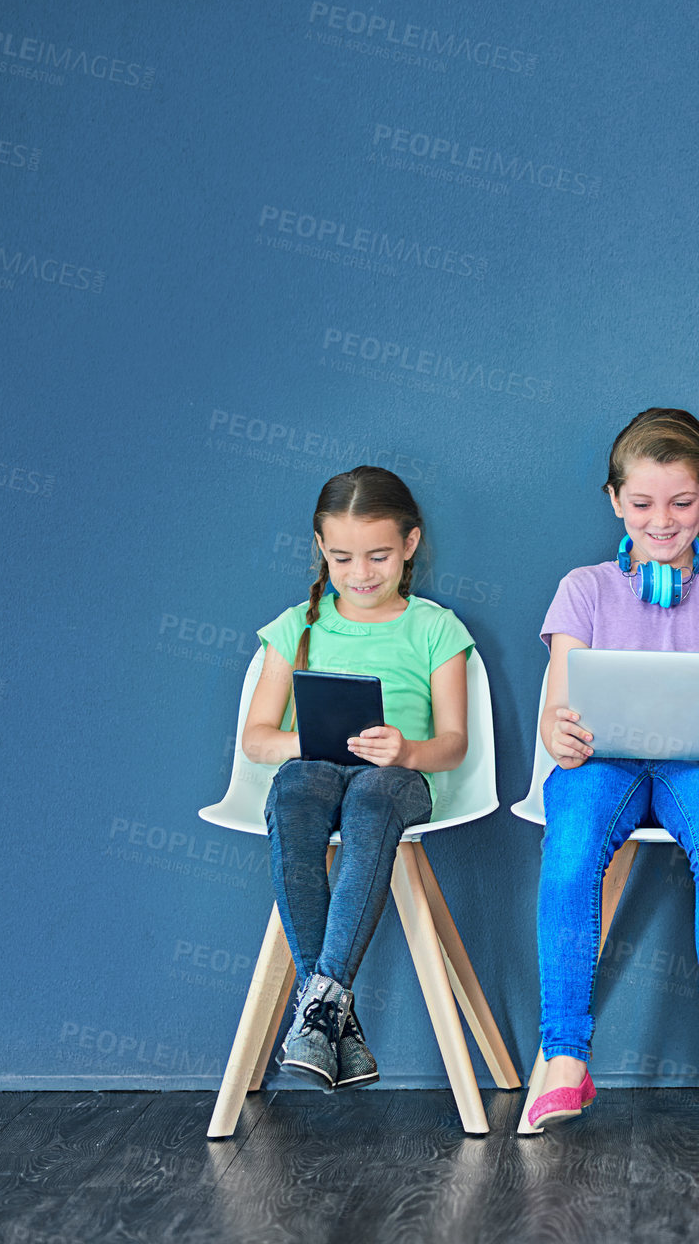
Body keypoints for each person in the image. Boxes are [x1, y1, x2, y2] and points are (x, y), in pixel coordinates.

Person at [526, 408, 699, 1128]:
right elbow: (556, 707)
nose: (660, 521)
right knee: (570, 853)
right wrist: (561, 734)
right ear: (615, 502)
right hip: (602, 763)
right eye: (641, 504)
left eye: (679, 503)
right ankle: (566, 1057)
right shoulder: (583, 588)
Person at [243, 466, 473, 1090]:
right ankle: (332, 1016)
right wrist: (315, 740)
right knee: (292, 790)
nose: (360, 573)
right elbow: (258, 738)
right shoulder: (297, 627)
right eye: (342, 558)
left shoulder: (434, 628)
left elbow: (454, 746)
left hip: (397, 778)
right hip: (316, 770)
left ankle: (320, 1003)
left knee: (372, 798)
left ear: (410, 545)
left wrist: (404, 750)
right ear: (321, 548)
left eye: (378, 556)